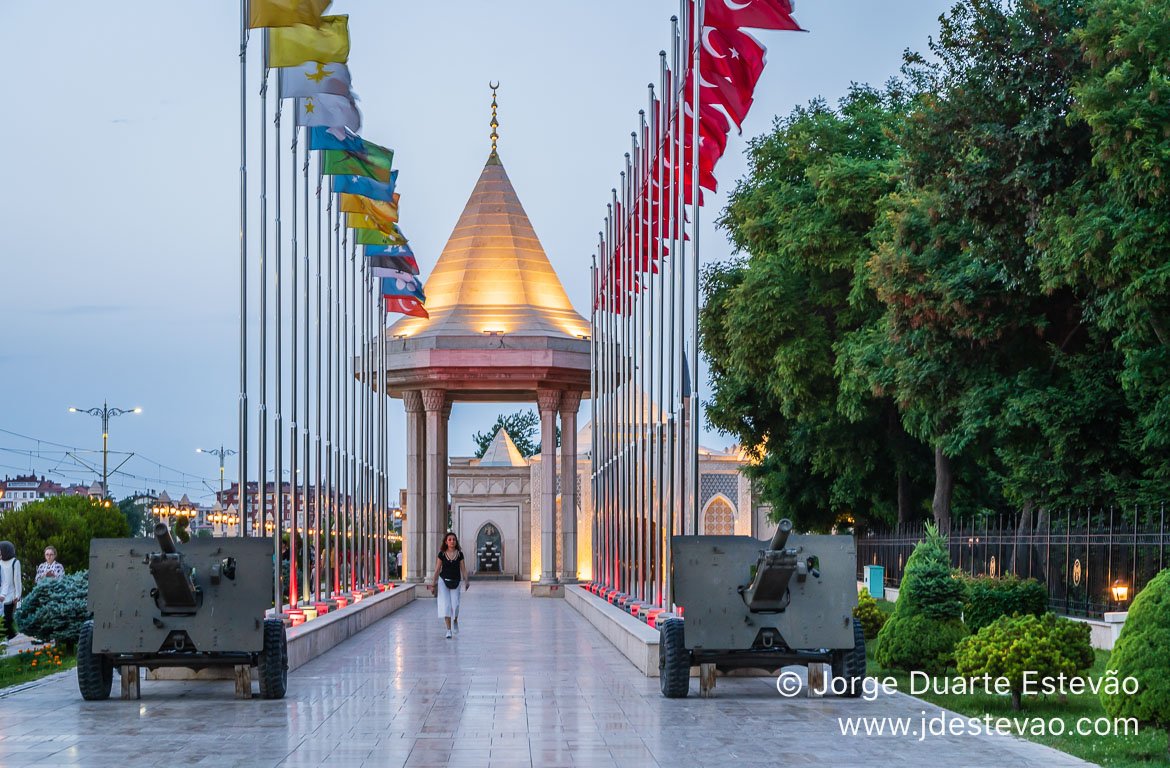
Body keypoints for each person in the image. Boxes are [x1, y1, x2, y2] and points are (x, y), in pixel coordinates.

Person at [429, 532, 469, 639]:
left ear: (456, 542)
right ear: (446, 542)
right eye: (450, 539)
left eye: (454, 540)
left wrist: (466, 580)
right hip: (443, 581)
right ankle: (448, 630)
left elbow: (463, 569)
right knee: (446, 605)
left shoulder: (460, 554)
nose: (452, 541)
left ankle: (455, 620)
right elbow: (437, 569)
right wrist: (433, 584)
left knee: (455, 605)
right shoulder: (442, 554)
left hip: (456, 581)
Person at [0, 541, 21, 641]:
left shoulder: (15, 562)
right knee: (4, 618)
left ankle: (10, 636)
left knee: (7, 618)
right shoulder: (0, 561)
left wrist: (18, 595)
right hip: (1, 593)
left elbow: (17, 580)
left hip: (11, 594)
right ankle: (10, 635)